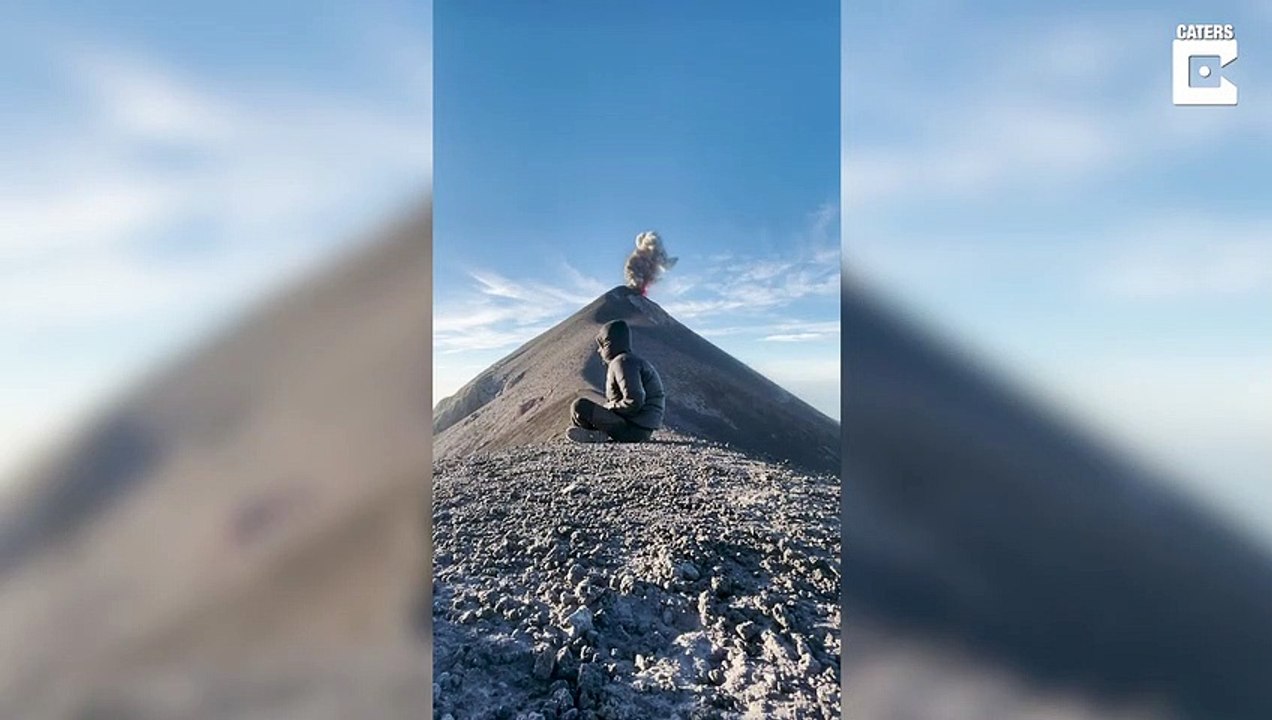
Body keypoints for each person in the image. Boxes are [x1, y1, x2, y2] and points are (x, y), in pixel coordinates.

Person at [568, 319, 665, 443]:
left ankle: (593, 435)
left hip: (632, 429)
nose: (599, 351)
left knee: (579, 406)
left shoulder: (622, 362)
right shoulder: (630, 361)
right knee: (584, 408)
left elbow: (634, 401)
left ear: (608, 344)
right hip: (640, 428)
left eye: (601, 345)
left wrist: (609, 407)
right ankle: (594, 434)